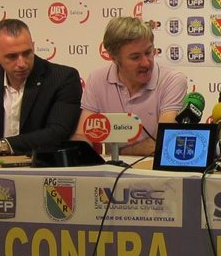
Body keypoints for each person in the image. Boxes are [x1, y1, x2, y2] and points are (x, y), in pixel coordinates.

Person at [0, 18, 81, 157]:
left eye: (27, 53)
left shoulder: (62, 78)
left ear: (33, 46)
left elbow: (58, 134)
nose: (22, 63)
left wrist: (3, 146)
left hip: (38, 165)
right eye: (12, 56)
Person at [75, 16, 187, 156]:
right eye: (135, 57)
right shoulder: (97, 79)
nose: (146, 63)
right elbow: (82, 135)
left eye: (148, 52)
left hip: (152, 168)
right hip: (112, 168)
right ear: (114, 58)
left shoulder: (172, 80)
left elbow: (164, 141)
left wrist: (119, 152)